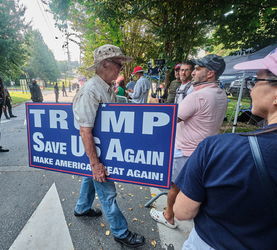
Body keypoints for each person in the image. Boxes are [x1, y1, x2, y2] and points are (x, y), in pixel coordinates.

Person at [173, 49, 277, 249]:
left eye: (256, 81)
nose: (252, 89)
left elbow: (183, 212)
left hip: (190, 152)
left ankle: (165, 212)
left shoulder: (218, 148)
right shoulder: (220, 94)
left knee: (175, 189)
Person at [73, 44, 145, 248]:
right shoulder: (91, 91)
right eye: (119, 64)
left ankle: (82, 208)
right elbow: (85, 131)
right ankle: (120, 231)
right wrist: (95, 164)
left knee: (92, 178)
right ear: (105, 64)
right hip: (99, 152)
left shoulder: (106, 87)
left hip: (104, 148)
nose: (122, 69)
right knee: (106, 190)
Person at [150, 54, 228, 229]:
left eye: (198, 69)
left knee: (174, 187)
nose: (193, 72)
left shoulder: (197, 97)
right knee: (195, 188)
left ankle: (169, 215)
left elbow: (168, 121)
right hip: (205, 151)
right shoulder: (221, 94)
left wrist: (155, 104)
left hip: (184, 151)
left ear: (210, 74)